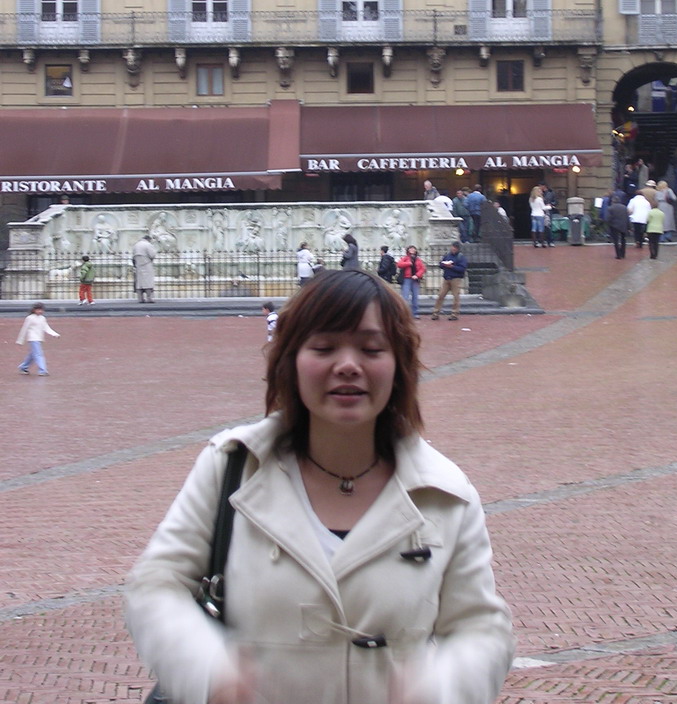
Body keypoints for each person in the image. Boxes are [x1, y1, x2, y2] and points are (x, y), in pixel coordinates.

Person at [124, 270, 514, 704]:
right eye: (324, 347)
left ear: (398, 366)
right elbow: (156, 583)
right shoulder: (231, 466)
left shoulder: (445, 494)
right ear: (290, 361)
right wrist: (209, 671)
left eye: (371, 349)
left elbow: (481, 628)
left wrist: (439, 688)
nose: (348, 365)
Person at [16, 302, 60, 376]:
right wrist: (20, 340)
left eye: (41, 310)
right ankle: (42, 370)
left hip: (39, 338)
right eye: (38, 310)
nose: (40, 311)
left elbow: (46, 328)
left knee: (33, 355)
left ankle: (23, 367)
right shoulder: (30, 318)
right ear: (34, 310)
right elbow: (24, 329)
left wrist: (54, 334)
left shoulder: (42, 318)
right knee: (39, 354)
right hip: (32, 338)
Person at [431, 241, 468, 321]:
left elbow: (462, 268)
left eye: (454, 248)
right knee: (440, 295)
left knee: (456, 297)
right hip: (446, 278)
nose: (453, 249)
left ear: (458, 249)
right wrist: (443, 264)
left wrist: (452, 267)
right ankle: (435, 313)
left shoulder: (461, 257)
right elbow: (440, 264)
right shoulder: (447, 255)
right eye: (452, 247)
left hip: (456, 279)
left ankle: (454, 314)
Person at [396, 245, 426, 319]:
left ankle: (415, 313)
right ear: (408, 250)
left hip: (415, 279)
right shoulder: (405, 258)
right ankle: (404, 313)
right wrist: (408, 263)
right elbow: (399, 264)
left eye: (413, 249)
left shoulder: (418, 259)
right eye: (411, 249)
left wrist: (417, 275)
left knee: (415, 297)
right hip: (406, 279)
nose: (412, 250)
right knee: (405, 297)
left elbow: (422, 269)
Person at [132, 234, 156, 303]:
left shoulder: (136, 245)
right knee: (148, 281)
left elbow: (133, 256)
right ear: (149, 239)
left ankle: (140, 298)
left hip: (138, 264)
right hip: (147, 264)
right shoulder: (148, 245)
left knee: (139, 282)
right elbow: (152, 254)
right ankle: (149, 298)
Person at [606, 193, 629, 260]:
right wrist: (629, 226)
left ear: (613, 201)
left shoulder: (610, 208)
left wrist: (609, 224)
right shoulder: (624, 207)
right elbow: (627, 218)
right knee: (623, 240)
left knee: (616, 241)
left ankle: (618, 255)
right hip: (623, 225)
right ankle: (623, 253)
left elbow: (608, 218)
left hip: (614, 226)